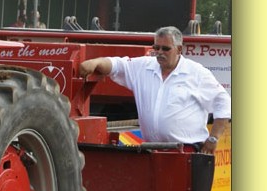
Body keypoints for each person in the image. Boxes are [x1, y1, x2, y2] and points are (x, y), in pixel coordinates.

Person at [78, 26, 230, 154]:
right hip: (151, 152)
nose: (160, 52)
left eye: (165, 49)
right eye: (156, 48)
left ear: (179, 49)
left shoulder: (196, 73)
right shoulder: (143, 67)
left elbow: (223, 102)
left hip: (186, 152)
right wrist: (95, 62)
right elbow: (117, 65)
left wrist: (213, 138)